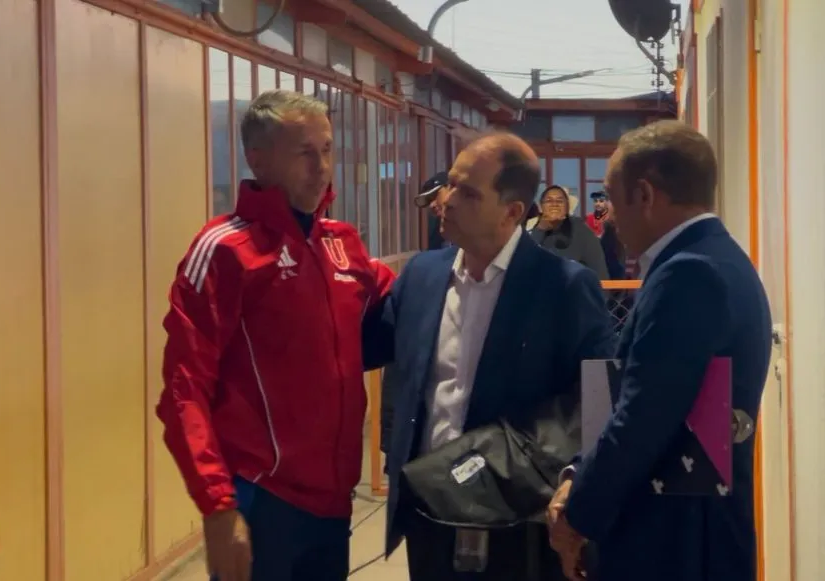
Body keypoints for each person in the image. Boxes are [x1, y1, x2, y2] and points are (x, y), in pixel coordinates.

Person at [156, 90, 394, 581]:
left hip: (334, 503)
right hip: (262, 500)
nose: (321, 168)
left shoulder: (342, 244)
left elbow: (407, 305)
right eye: (304, 153)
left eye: (327, 150)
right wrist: (218, 506)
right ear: (258, 160)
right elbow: (184, 389)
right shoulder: (225, 250)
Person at [364, 132, 615, 581]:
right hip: (428, 512)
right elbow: (365, 347)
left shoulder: (562, 287)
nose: (447, 200)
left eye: (468, 193)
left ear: (512, 212)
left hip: (514, 523)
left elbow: (594, 401)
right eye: (451, 184)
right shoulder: (421, 276)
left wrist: (574, 486)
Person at [547, 120, 772, 581]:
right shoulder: (717, 257)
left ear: (644, 194)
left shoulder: (688, 274)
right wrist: (578, 472)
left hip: (676, 541)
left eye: (612, 198)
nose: (608, 216)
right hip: (691, 533)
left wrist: (577, 513)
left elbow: (643, 417)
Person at [525, 185, 608, 280]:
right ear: (541, 207)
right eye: (549, 201)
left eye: (559, 201)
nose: (554, 204)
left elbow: (599, 271)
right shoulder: (530, 228)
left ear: (567, 207)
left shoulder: (582, 232)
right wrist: (541, 228)